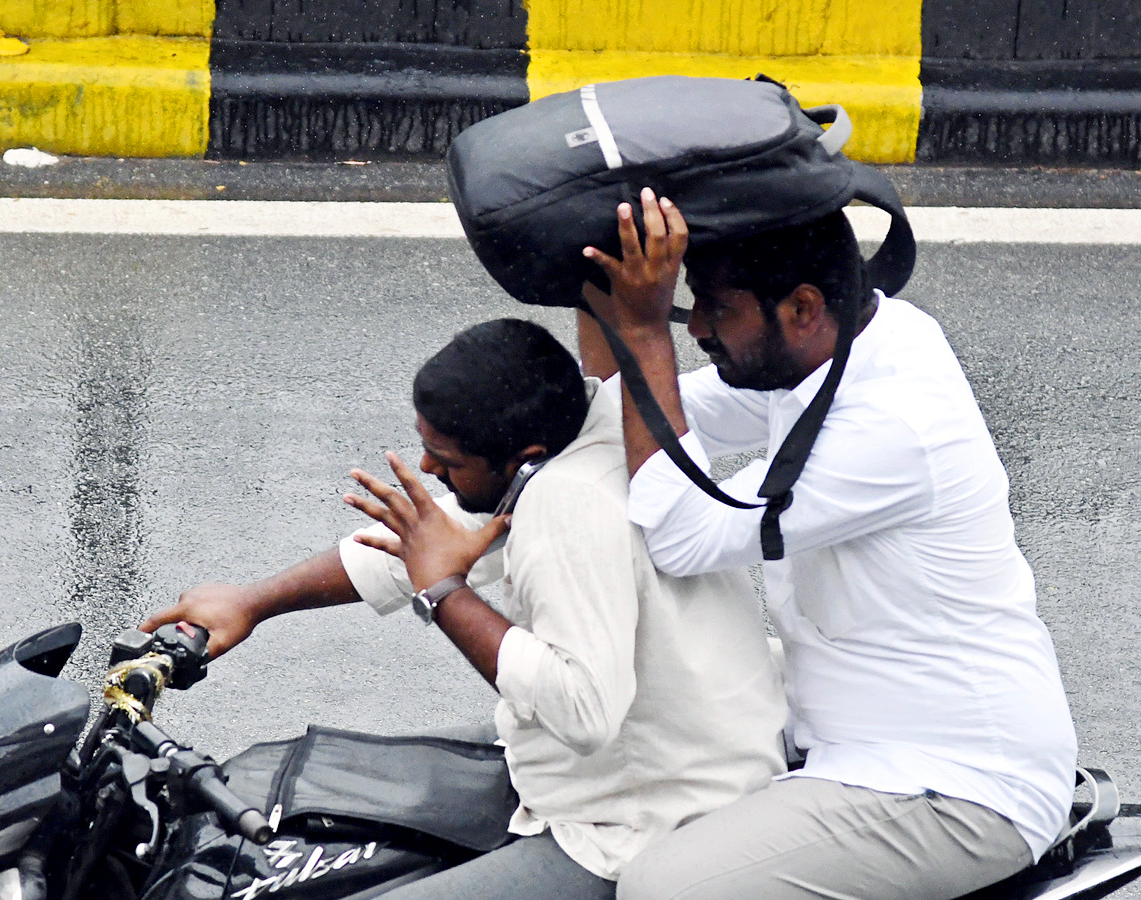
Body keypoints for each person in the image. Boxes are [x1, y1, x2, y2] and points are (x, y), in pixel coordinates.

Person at [142, 318, 788, 900]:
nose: (426, 467)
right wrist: (251, 603)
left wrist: (444, 593)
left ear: (522, 459)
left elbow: (585, 709)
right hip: (663, 755)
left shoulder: (565, 508)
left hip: (641, 820)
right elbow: (428, 539)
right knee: (344, 780)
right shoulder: (602, 418)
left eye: (446, 460)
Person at [580, 188, 1078, 900]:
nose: (698, 330)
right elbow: (636, 414)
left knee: (663, 889)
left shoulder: (893, 427)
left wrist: (646, 329)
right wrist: (600, 280)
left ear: (805, 307)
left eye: (718, 308)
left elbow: (682, 534)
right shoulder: (847, 340)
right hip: (829, 711)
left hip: (949, 782)